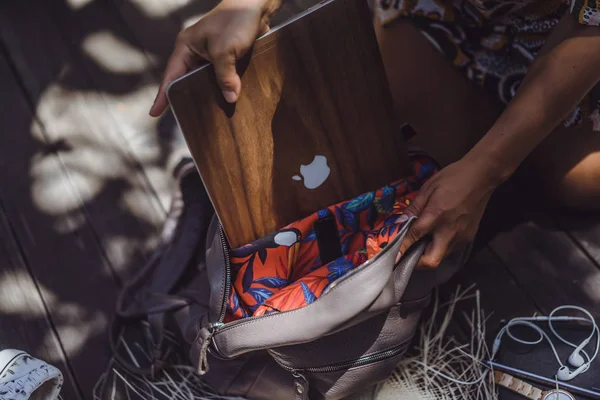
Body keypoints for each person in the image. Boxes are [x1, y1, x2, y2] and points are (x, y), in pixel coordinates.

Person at [149, 0, 600, 268]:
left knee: (578, 183)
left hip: (571, 30)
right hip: (456, 10)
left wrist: (488, 168)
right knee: (404, 128)